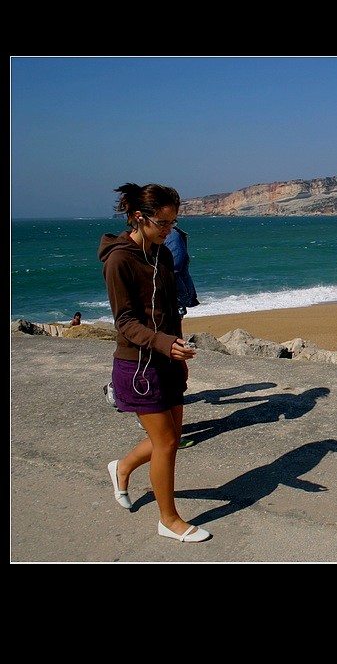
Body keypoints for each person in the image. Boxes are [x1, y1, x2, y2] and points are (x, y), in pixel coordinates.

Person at [98, 182, 210, 543]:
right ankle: (169, 519)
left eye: (173, 223)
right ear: (137, 217)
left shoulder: (161, 254)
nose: (168, 231)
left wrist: (178, 355)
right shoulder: (119, 260)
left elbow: (167, 312)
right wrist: (163, 344)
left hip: (166, 359)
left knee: (172, 439)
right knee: (164, 443)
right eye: (162, 223)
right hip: (138, 366)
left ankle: (123, 467)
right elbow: (126, 322)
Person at [164, 225, 200, 449]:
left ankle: (169, 432)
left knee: (175, 369)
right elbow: (175, 269)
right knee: (176, 369)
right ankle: (169, 433)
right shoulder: (172, 234)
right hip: (171, 305)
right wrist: (182, 297)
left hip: (170, 304)